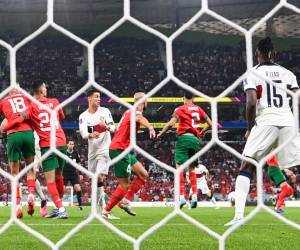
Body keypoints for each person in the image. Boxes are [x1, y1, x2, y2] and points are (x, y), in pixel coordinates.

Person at [225, 37, 300, 226]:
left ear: (257, 54)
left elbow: (250, 103)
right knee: (296, 166)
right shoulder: (288, 73)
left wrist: (250, 128)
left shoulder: (252, 73)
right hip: (288, 120)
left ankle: (238, 217)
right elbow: (297, 97)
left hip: (266, 120)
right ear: (273, 54)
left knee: (247, 166)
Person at [3, 81, 69, 219]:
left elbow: (18, 119)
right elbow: (61, 117)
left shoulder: (31, 105)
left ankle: (58, 208)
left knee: (23, 174)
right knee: (55, 175)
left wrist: (6, 128)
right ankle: (55, 204)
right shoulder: (54, 101)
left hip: (44, 144)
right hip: (61, 142)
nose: (46, 88)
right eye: (45, 87)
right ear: (41, 91)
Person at [102, 92, 156, 219]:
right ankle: (106, 211)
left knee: (143, 174)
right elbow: (140, 119)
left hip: (124, 150)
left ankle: (125, 201)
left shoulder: (128, 111)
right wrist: (150, 127)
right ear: (144, 101)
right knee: (125, 184)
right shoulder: (135, 111)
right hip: (119, 149)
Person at [157, 91, 212, 208]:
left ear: (183, 98)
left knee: (179, 169)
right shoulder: (199, 109)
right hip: (195, 141)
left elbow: (171, 123)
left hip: (183, 139)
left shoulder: (180, 109)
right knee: (191, 169)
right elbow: (210, 123)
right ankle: (195, 197)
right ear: (194, 98)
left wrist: (161, 133)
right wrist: (202, 132)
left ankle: (182, 197)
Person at [0, 88, 36, 218]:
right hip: (27, 133)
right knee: (30, 167)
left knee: (14, 173)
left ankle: (18, 205)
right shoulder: (26, 98)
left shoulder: (3, 101)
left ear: (9, 92)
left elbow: (4, 120)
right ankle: (31, 195)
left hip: (13, 135)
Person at [78, 89, 115, 214]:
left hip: (105, 149)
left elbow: (114, 127)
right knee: (95, 180)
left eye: (100, 97)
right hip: (92, 151)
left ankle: (95, 210)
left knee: (99, 176)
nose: (99, 99)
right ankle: (104, 209)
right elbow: (83, 133)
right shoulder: (83, 116)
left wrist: (107, 127)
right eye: (96, 97)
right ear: (89, 99)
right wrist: (91, 134)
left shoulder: (105, 111)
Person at [63, 139, 83, 210]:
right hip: (64, 174)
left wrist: (80, 173)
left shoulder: (76, 153)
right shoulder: (63, 152)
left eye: (72, 144)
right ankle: (58, 206)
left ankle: (80, 205)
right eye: (70, 144)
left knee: (78, 188)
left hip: (73, 174)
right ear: (67, 145)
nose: (71, 145)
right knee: (62, 189)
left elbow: (78, 164)